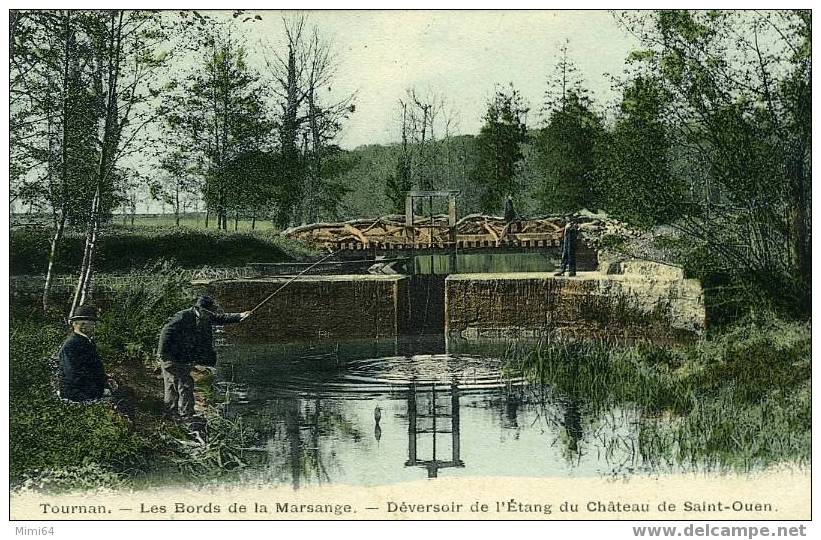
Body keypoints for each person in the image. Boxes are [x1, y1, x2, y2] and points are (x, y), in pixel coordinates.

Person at [157, 296, 250, 418]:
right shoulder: (183, 316)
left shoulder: (204, 315)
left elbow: (221, 318)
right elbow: (166, 331)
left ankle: (175, 413)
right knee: (180, 384)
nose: (212, 314)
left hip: (182, 356)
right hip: (171, 355)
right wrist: (162, 353)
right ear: (201, 309)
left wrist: (240, 316)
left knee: (177, 384)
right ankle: (183, 414)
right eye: (210, 311)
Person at [58, 305, 118, 402]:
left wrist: (106, 380)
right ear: (82, 325)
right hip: (75, 394)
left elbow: (93, 367)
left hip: (87, 389)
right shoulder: (71, 345)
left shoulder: (87, 341)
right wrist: (99, 389)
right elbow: (73, 376)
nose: (95, 327)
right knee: (116, 402)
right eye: (93, 324)